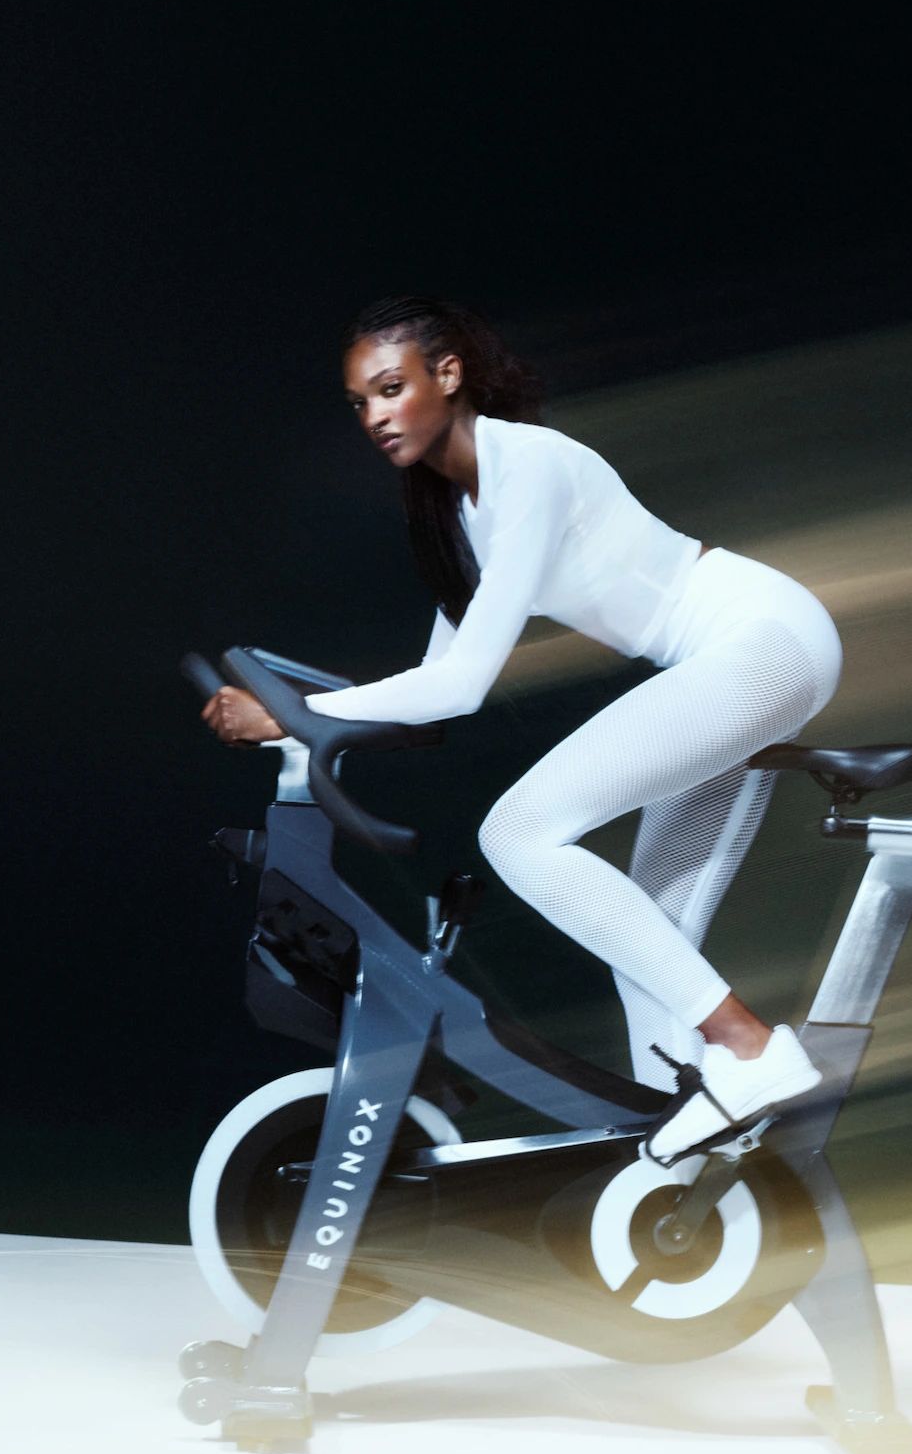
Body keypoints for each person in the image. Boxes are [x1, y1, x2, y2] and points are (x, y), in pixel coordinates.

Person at [203, 295, 842, 1160]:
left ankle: (753, 1050)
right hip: (724, 666)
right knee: (645, 936)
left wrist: (289, 711)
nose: (376, 416)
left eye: (391, 388)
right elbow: (428, 685)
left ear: (450, 375)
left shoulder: (529, 467)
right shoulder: (462, 516)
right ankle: (681, 1165)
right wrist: (296, 723)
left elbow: (462, 687)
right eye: (360, 403)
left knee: (521, 833)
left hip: (760, 642)